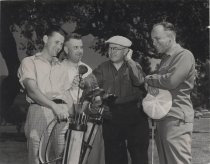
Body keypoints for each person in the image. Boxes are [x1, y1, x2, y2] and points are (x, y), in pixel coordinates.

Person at [18, 26, 74, 164]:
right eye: (56, 42)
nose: (59, 47)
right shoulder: (29, 62)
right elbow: (32, 91)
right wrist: (54, 106)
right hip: (39, 110)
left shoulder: (61, 67)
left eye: (61, 44)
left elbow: (66, 94)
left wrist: (72, 116)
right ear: (45, 39)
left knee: (61, 158)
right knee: (38, 158)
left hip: (62, 115)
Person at [92, 35, 149, 164]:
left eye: (116, 49)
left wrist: (129, 60)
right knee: (114, 156)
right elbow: (91, 82)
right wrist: (83, 83)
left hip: (135, 113)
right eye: (110, 48)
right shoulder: (102, 67)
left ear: (126, 51)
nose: (111, 52)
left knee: (139, 155)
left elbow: (139, 80)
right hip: (112, 113)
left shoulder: (134, 66)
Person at [145, 22, 196, 164]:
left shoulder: (184, 55)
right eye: (152, 39)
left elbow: (171, 81)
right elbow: (162, 84)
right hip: (164, 118)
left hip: (177, 118)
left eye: (157, 38)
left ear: (170, 37)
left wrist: (150, 78)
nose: (153, 43)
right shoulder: (165, 59)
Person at [62, 33, 105, 164]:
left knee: (89, 157)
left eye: (81, 47)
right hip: (65, 121)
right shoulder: (59, 68)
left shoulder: (88, 70)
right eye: (75, 47)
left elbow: (94, 95)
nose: (80, 51)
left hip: (86, 121)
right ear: (65, 49)